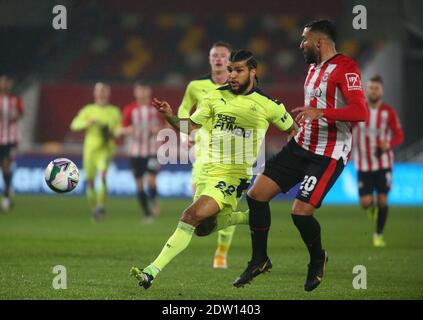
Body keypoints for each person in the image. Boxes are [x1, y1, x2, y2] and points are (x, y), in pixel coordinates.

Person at [130, 50, 297, 289]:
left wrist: (285, 165)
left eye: (238, 70)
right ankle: (248, 217)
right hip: (206, 170)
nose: (232, 75)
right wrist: (170, 116)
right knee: (202, 228)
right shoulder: (213, 97)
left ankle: (150, 271)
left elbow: (293, 131)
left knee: (190, 215)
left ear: (253, 71)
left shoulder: (268, 106)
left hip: (232, 177)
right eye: (230, 70)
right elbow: (188, 126)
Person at [233, 20, 368, 292]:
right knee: (255, 195)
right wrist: (299, 128)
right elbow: (314, 107)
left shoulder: (346, 68)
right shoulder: (312, 68)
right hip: (301, 145)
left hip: (328, 154)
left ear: (319, 42)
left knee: (301, 213)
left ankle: (317, 258)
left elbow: (360, 112)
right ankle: (260, 260)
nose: (300, 44)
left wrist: (322, 114)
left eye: (304, 40)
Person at [178, 41, 239, 268]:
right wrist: (186, 135)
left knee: (226, 204)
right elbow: (184, 108)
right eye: (214, 55)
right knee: (198, 204)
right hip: (203, 151)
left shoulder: (238, 86)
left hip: (231, 152)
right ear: (209, 59)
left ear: (229, 60)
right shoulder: (196, 86)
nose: (218, 59)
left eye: (223, 55)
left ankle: (221, 253)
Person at [352, 75, 403, 247]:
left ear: (382, 91)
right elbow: (348, 130)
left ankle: (378, 234)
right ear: (367, 90)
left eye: (377, 88)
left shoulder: (389, 112)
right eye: (371, 88)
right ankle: (372, 208)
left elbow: (399, 135)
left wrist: (389, 144)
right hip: (363, 163)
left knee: (383, 199)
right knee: (366, 203)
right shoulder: (359, 111)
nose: (374, 91)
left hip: (384, 163)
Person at [70, 83, 122, 221]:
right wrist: (88, 123)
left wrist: (112, 132)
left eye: (104, 90)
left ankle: (100, 206)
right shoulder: (88, 110)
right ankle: (94, 209)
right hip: (90, 150)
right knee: (91, 182)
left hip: (106, 149)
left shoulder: (114, 111)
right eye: (99, 91)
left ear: (108, 93)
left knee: (103, 176)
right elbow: (74, 125)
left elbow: (118, 130)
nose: (101, 93)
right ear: (95, 93)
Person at [121, 83, 163, 223]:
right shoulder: (130, 110)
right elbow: (121, 130)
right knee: (139, 184)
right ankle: (147, 214)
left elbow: (166, 125)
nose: (143, 93)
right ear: (136, 92)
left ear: (149, 91)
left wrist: (157, 129)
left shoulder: (156, 109)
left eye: (145, 90)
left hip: (152, 150)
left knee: (151, 180)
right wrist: (130, 130)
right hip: (135, 152)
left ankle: (155, 201)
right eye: (140, 90)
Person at [0, 75, 24, 211]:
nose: (4, 85)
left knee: (6, 166)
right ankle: (8, 192)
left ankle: (7, 196)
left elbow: (21, 113)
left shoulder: (15, 99)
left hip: (10, 139)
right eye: (2, 83)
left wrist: (11, 116)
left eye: (7, 83)